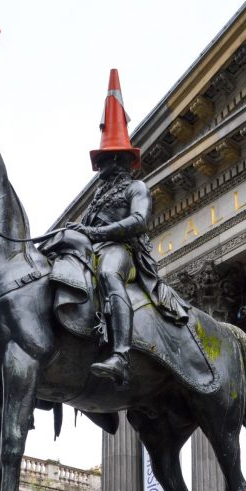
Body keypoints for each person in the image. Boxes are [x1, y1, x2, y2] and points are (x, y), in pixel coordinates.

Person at [72, 69, 188, 386]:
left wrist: (97, 234)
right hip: (92, 249)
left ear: (122, 161)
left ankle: (121, 356)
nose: (102, 168)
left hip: (122, 252)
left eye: (107, 160)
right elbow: (86, 227)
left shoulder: (136, 188)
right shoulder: (97, 197)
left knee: (110, 275)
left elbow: (138, 221)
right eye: (102, 161)